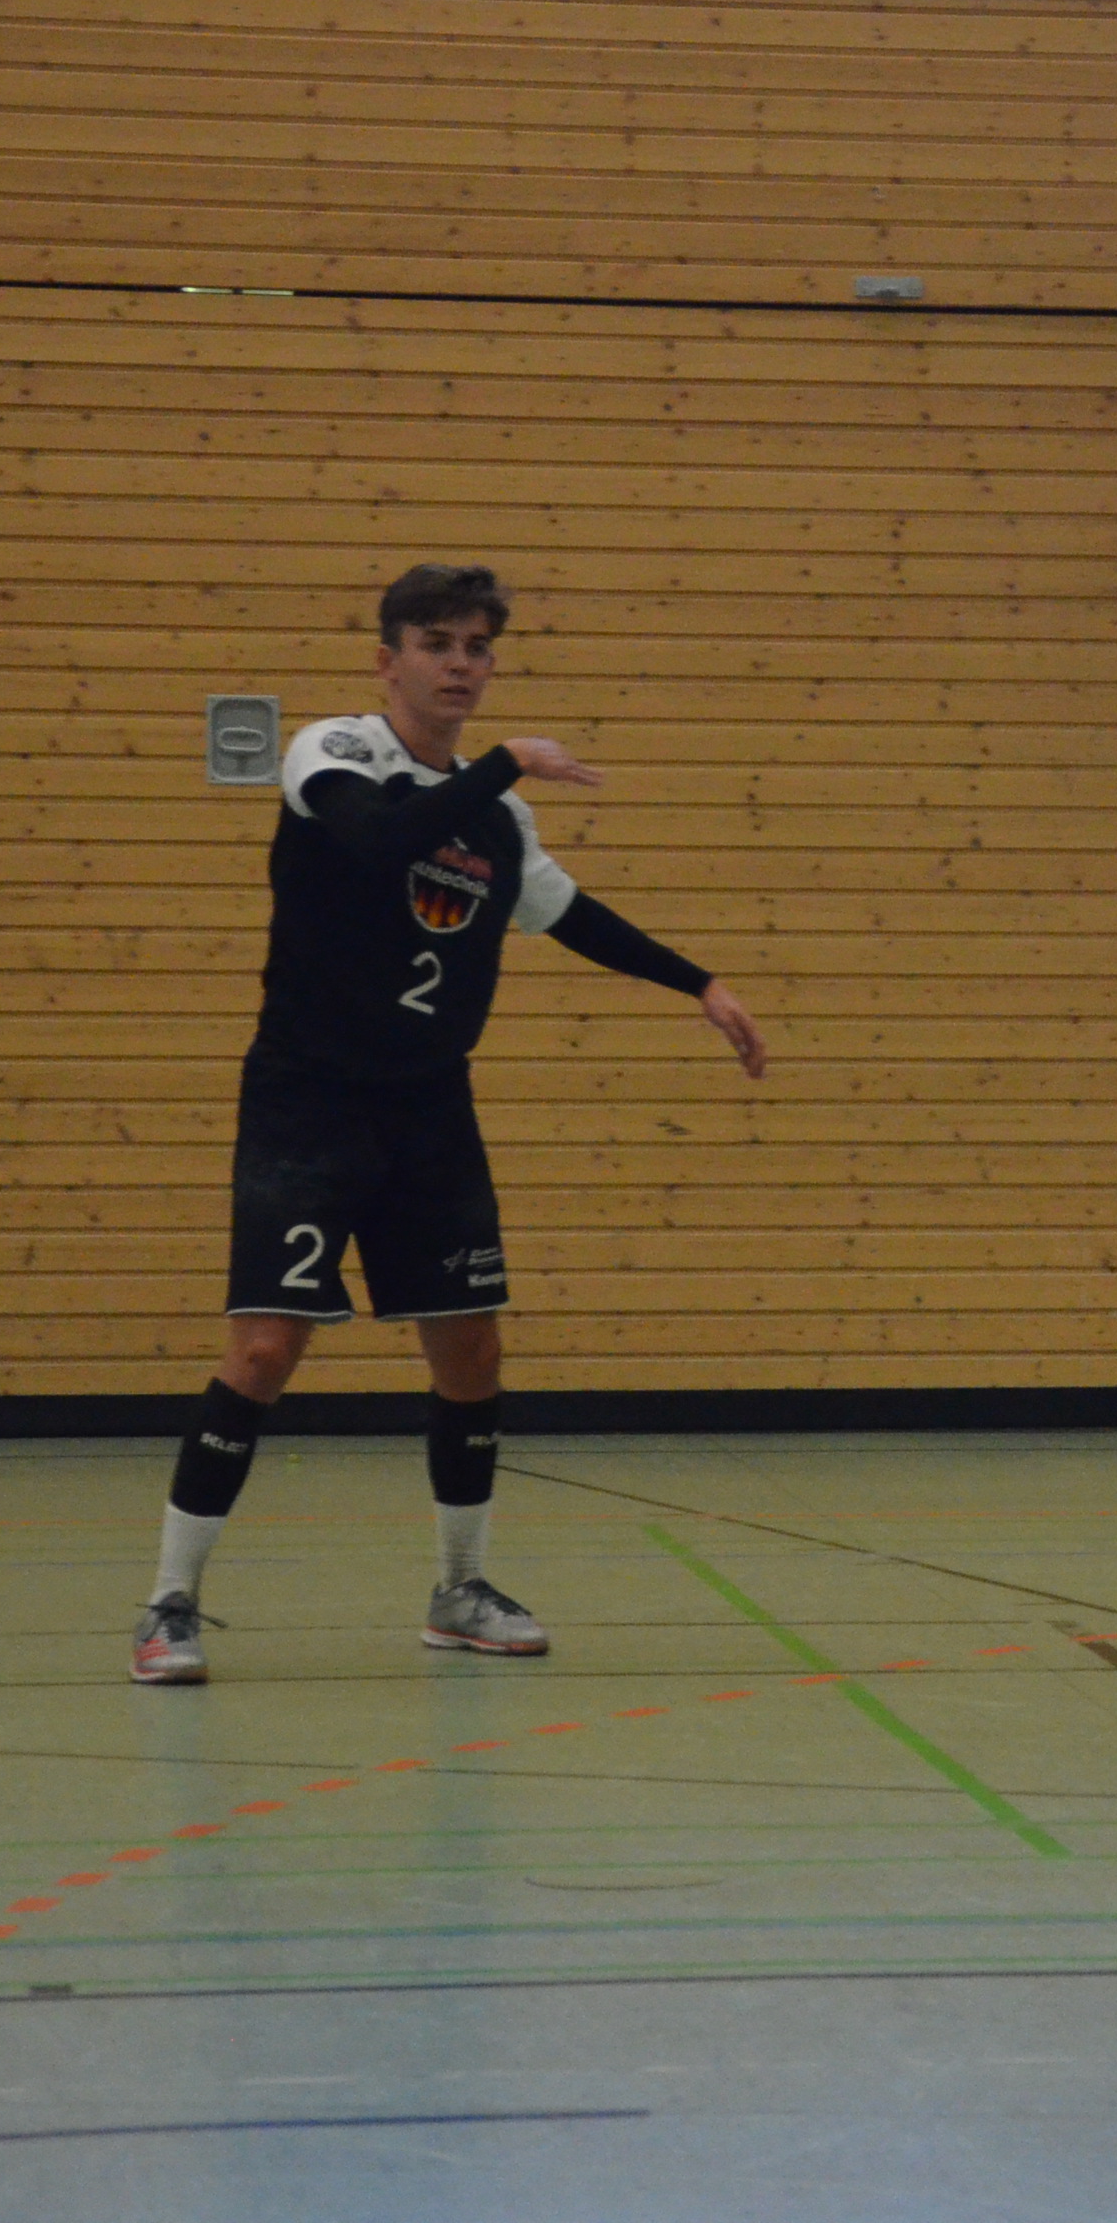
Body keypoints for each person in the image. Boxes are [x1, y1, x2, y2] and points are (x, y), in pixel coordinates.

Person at [129, 563, 769, 1684]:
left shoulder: (499, 821)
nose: (459, 664)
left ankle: (460, 1589)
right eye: (437, 644)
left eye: (477, 646)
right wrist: (506, 761)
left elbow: (571, 915)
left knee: (471, 1350)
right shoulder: (334, 753)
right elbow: (381, 843)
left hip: (428, 1106)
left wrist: (700, 983)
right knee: (267, 1349)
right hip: (309, 1098)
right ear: (390, 661)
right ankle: (169, 1602)